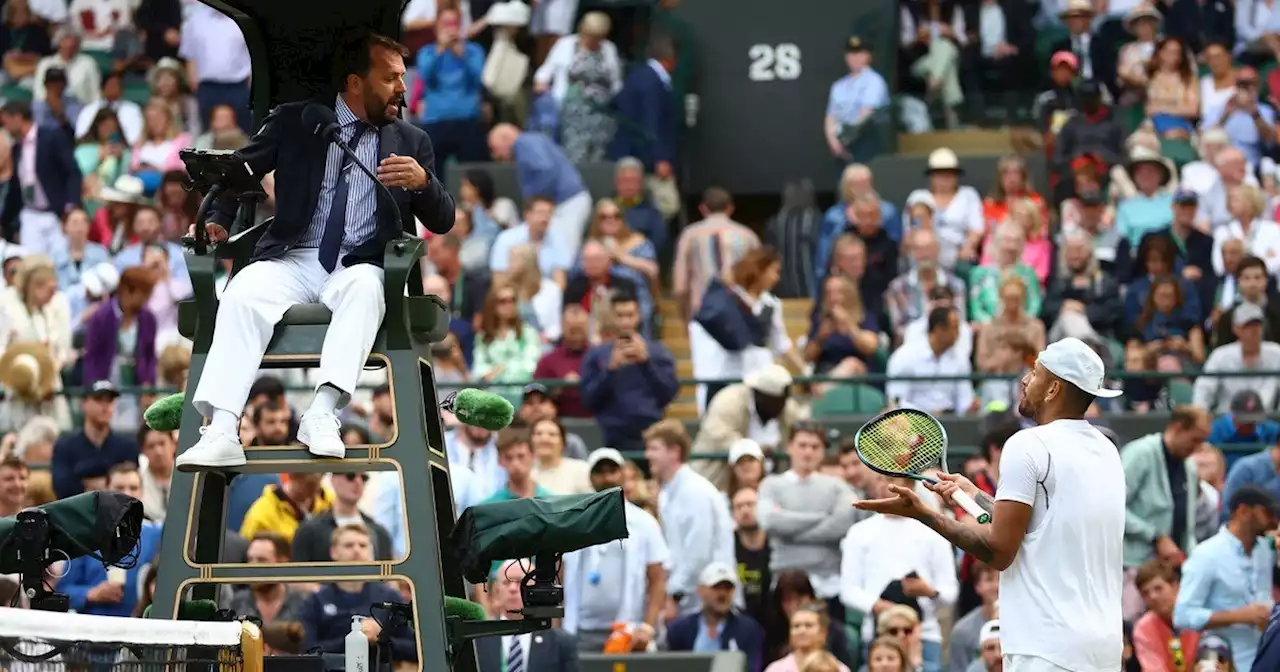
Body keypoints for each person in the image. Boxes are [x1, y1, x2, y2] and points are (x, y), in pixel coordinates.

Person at [174, 32, 455, 470]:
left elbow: (443, 219)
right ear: (356, 83)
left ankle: (323, 413)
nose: (402, 87)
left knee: (366, 288)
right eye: (391, 77)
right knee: (243, 290)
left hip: (359, 263)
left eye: (402, 77)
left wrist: (424, 184)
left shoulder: (411, 141)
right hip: (295, 256)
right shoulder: (296, 121)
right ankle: (223, 428)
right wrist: (218, 221)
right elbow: (241, 171)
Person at [856, 337, 1126, 671]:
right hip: (1103, 649)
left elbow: (999, 551)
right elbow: (1039, 525)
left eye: (1035, 373)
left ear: (1053, 389)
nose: (1025, 380)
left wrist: (923, 514)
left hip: (1046, 651)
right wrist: (976, 496)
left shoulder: (1027, 444)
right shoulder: (1106, 450)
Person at [1173, 485, 1278, 671]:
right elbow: (1182, 614)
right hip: (1226, 661)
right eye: (1267, 513)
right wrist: (1239, 616)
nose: (1273, 520)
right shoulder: (1206, 554)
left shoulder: (1265, 550)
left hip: (1265, 657)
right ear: (1243, 511)